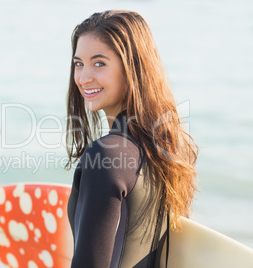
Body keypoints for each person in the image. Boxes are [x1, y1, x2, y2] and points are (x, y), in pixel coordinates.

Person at [65, 10, 198, 268]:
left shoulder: (106, 156)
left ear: (132, 69)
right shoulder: (167, 146)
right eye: (79, 63)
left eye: (99, 63)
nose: (83, 77)